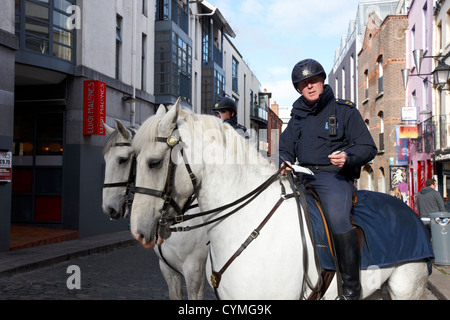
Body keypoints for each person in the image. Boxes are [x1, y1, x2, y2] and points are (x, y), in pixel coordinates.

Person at [279, 59, 377, 300]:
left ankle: (351, 290)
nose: (309, 86)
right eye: (303, 84)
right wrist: (283, 161)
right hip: (300, 175)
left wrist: (348, 156)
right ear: (298, 89)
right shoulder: (297, 115)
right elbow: (284, 147)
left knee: (338, 220)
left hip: (332, 178)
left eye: (313, 80)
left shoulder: (345, 110)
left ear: (322, 81)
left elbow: (368, 147)